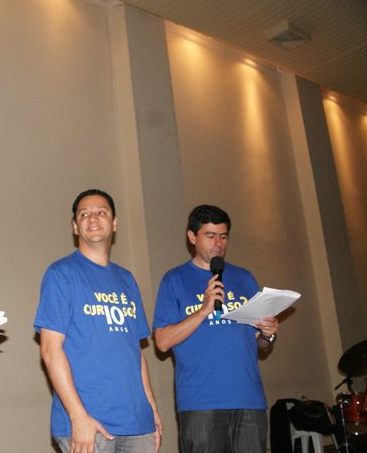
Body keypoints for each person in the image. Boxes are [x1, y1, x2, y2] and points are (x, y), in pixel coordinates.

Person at [34, 189, 163, 453]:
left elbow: (135, 352)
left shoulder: (127, 280)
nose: (93, 218)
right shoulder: (61, 274)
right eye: (84, 214)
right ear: (75, 226)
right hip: (89, 424)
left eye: (101, 212)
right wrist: (77, 416)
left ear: (114, 223)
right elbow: (49, 350)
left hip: (138, 424)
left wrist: (151, 408)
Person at [153, 205, 279, 453]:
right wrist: (204, 310)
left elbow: (260, 347)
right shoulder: (174, 280)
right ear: (192, 237)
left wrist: (268, 333)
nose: (218, 243)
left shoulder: (244, 278)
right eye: (210, 236)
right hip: (201, 403)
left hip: (248, 398)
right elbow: (162, 341)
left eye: (223, 236)